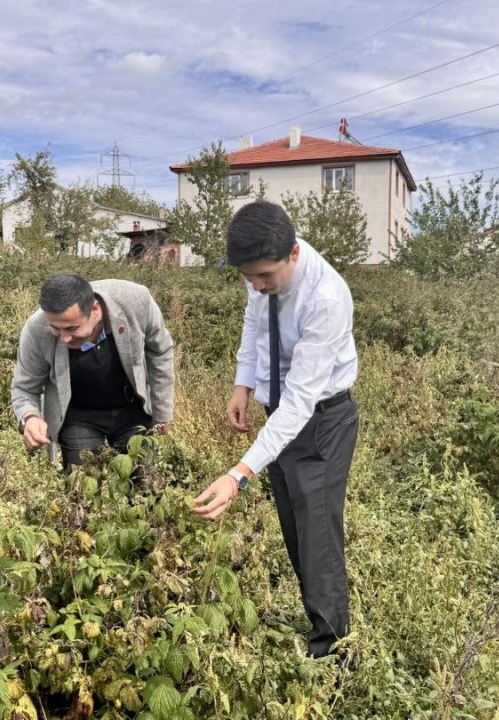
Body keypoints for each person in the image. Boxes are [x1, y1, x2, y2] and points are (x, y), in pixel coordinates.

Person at [191, 201, 359, 659]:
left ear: (293, 254)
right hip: (279, 413)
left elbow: (302, 401)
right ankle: (317, 618)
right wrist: (243, 384)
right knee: (293, 522)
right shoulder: (261, 275)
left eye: (265, 277)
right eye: (248, 278)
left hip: (321, 421)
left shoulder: (325, 298)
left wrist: (238, 474)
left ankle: (333, 651)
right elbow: (254, 326)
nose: (257, 286)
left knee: (317, 533)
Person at [11, 273, 175, 471]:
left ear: (95, 311)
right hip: (79, 414)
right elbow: (25, 387)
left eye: (72, 328)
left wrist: (163, 415)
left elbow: (160, 352)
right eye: (56, 328)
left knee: (145, 481)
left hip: (132, 408)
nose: (64, 338)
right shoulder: (37, 329)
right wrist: (30, 417)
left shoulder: (136, 301)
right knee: (83, 488)